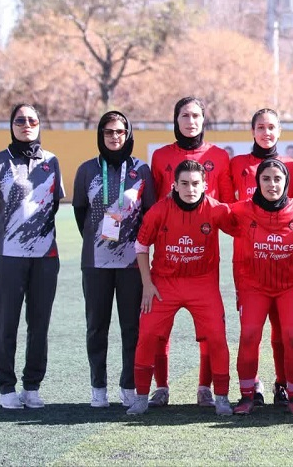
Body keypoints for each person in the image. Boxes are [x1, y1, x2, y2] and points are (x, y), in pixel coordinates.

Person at [126, 160, 235, 416]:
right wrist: (147, 284)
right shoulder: (159, 211)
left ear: (205, 186)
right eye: (184, 184)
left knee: (217, 337)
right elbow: (140, 247)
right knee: (148, 335)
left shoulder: (216, 210)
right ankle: (144, 396)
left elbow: (245, 224)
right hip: (164, 283)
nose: (190, 189)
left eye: (196, 184)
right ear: (174, 185)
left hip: (202, 283)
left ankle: (221, 396)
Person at [148, 96, 235, 408]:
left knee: (210, 330)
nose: (191, 121)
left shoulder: (219, 156)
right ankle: (161, 387)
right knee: (159, 329)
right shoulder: (159, 157)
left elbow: (227, 208)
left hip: (204, 260)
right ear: (176, 120)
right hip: (167, 259)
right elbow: (152, 207)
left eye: (196, 115)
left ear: (204, 119)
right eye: (184, 115)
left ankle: (204, 387)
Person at [230, 109, 293, 407]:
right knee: (250, 331)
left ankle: (285, 387)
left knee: (286, 333)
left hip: (285, 265)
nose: (266, 132)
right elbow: (223, 211)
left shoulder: (291, 166)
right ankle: (250, 390)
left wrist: (283, 236)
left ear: (279, 131)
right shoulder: (237, 165)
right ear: (251, 130)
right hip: (247, 263)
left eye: (271, 127)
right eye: (260, 127)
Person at [72, 111, 156, 408]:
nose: (114, 137)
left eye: (120, 131)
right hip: (95, 262)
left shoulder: (141, 170)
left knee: (132, 327)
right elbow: (80, 210)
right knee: (97, 325)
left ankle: (128, 385)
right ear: (100, 135)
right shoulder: (86, 170)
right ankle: (98, 386)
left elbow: (151, 214)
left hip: (132, 262)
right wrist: (98, 238)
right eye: (108, 132)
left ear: (128, 134)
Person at [0, 103, 64, 409]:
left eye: (32, 120)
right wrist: (4, 228)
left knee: (39, 323)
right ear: (12, 125)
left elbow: (55, 204)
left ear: (39, 124)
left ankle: (32, 385)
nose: (26, 124)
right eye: (20, 120)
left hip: (45, 256)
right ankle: (6, 386)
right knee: (7, 322)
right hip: (10, 256)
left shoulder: (51, 161)